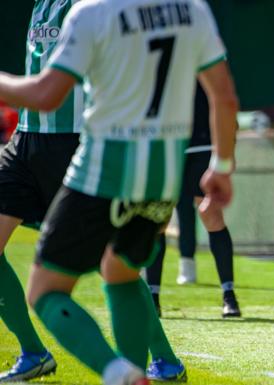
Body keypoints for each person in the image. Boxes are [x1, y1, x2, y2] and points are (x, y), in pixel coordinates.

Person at [0, 1, 238, 384]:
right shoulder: (193, 10)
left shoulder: (91, 11)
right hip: (152, 171)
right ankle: (39, 353)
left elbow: (47, 94)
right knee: (120, 271)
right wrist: (223, 166)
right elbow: (225, 97)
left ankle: (135, 368)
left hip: (90, 157)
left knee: (59, 285)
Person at [0, 0, 83, 381]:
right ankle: (33, 351)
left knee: (115, 265)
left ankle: (164, 360)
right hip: (26, 140)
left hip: (73, 142)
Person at [145, 84, 241, 318]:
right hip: (165, 141)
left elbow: (225, 97)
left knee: (211, 213)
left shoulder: (204, 49)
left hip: (203, 142)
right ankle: (152, 297)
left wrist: (227, 154)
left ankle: (229, 294)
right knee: (159, 216)